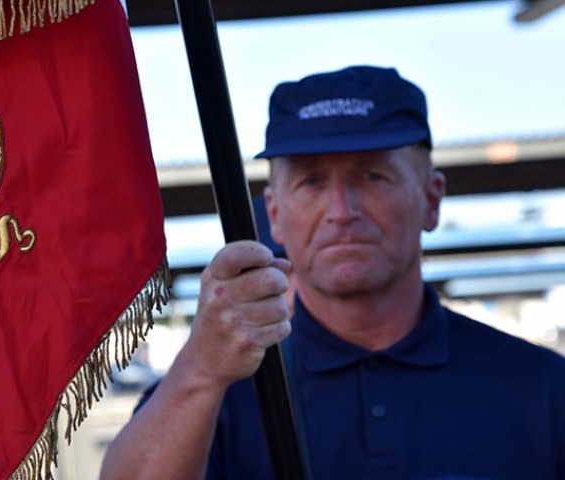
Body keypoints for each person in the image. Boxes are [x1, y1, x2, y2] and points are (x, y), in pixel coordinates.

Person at [100, 65, 565, 480]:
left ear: (431, 198)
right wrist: (199, 369)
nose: (342, 211)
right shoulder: (215, 396)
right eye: (312, 181)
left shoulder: (542, 388)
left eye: (372, 176)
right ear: (275, 215)